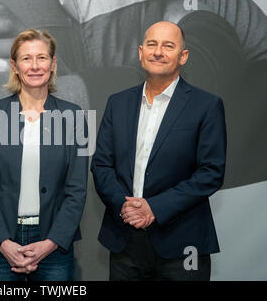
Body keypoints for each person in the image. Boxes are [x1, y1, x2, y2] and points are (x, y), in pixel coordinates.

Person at [91, 21, 227, 281]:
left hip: (182, 242)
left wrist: (154, 207)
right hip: (124, 240)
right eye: (152, 44)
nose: (158, 52)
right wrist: (124, 207)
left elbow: (210, 172)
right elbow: (101, 165)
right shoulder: (117, 103)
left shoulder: (206, 106)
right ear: (141, 52)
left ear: (183, 56)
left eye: (168, 46)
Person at [0, 29, 88, 281]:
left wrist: (50, 243)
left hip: (53, 244)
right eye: (26, 59)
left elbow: (77, 189)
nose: (35, 66)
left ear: (53, 63)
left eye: (42, 58)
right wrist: (3, 243)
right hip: (0, 243)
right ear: (14, 66)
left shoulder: (74, 117)